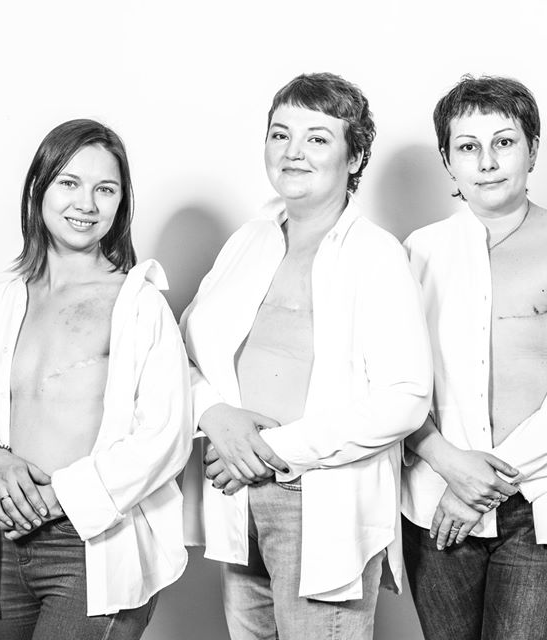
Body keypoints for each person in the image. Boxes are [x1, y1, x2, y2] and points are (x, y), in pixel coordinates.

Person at [180, 72, 432, 640]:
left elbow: (406, 398)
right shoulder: (248, 240)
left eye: (317, 138)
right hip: (236, 495)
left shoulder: (376, 255)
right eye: (280, 134)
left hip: (318, 500)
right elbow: (176, 349)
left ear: (354, 156)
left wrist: (269, 450)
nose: (293, 152)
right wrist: (216, 417)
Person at [0, 119, 193, 639]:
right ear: (39, 187)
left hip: (89, 543)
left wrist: (61, 499)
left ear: (121, 203)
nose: (87, 204)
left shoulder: (137, 304)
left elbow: (165, 437)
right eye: (70, 183)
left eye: (106, 189)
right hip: (7, 545)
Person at [400, 75, 547, 640]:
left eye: (504, 142)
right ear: (448, 160)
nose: (487, 162)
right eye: (467, 146)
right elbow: (392, 382)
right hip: (437, 498)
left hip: (542, 503)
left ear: (532, 149)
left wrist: (485, 485)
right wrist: (452, 467)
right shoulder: (419, 251)